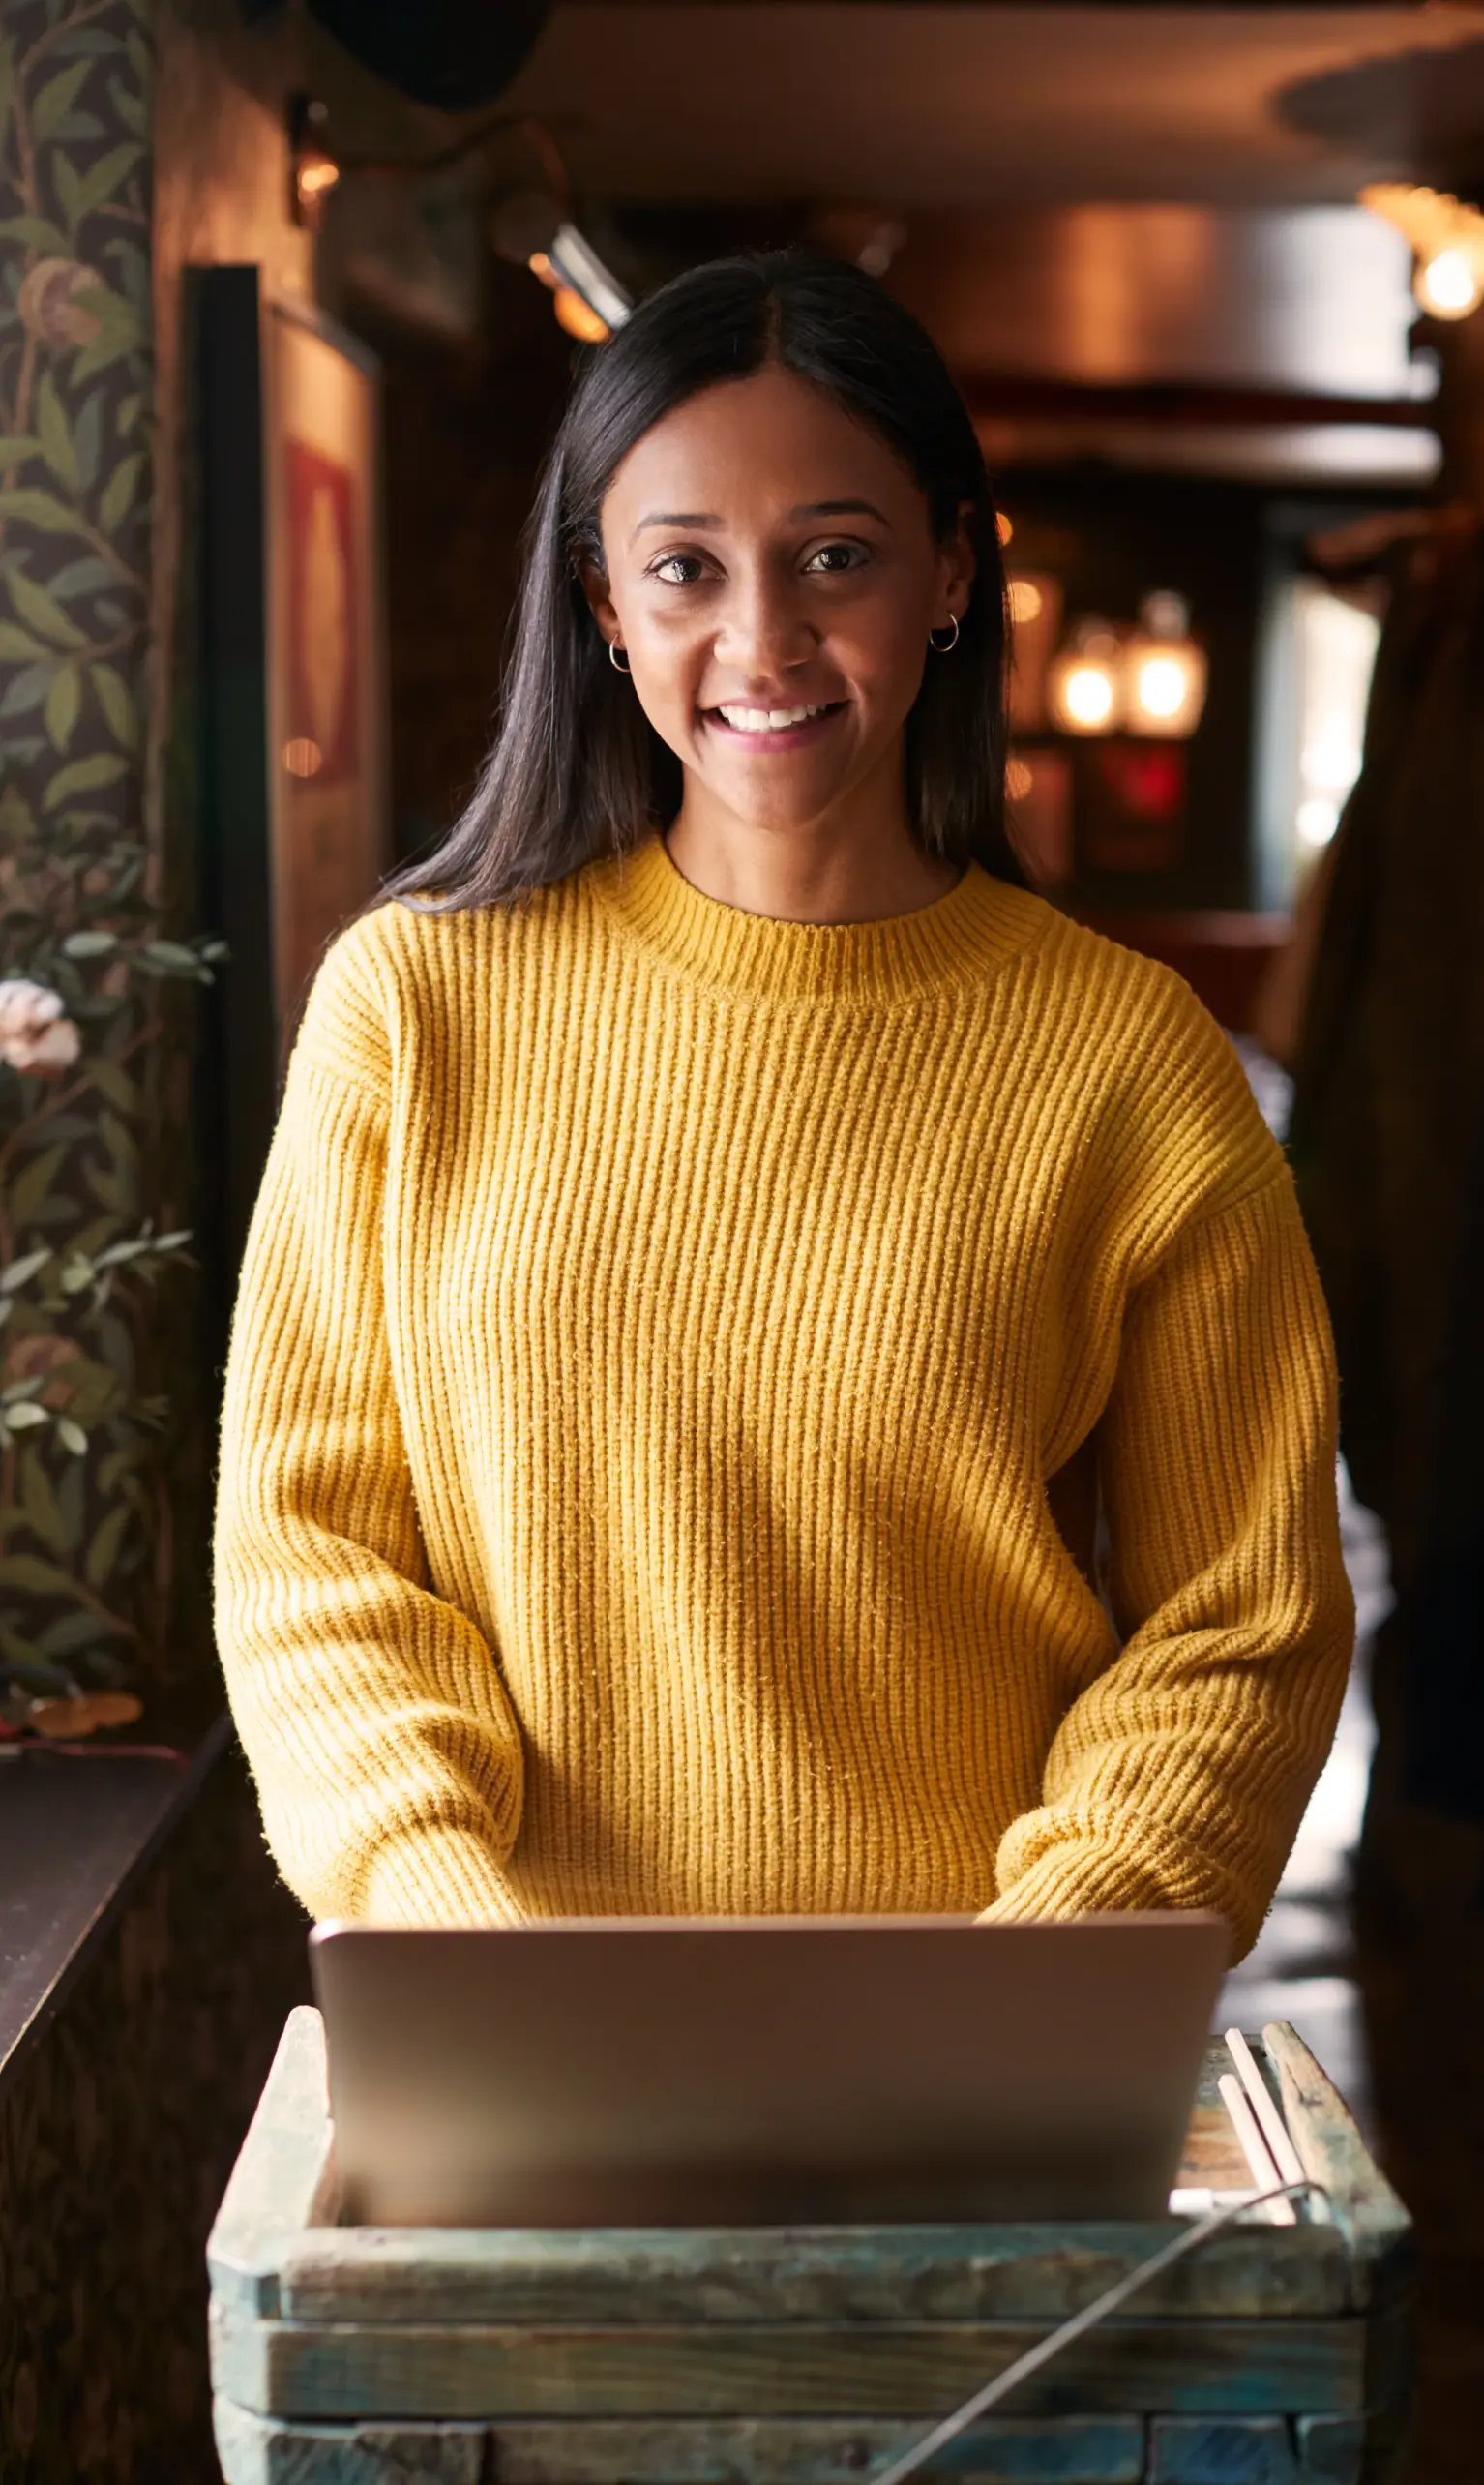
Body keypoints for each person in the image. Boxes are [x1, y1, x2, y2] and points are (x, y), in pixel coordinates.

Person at [213, 252, 1352, 1952]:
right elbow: (311, 1554)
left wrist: (1044, 1971)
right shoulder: (415, 1012)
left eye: (835, 556)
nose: (763, 641)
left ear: (950, 572)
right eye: (685, 569)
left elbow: (1237, 1623)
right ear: (604, 606)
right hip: (512, 2036)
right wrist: (455, 1934)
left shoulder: (1127, 1066)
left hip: (978, 2041)